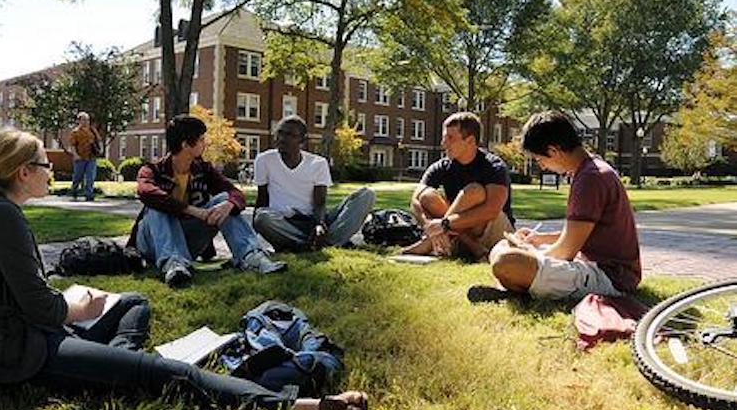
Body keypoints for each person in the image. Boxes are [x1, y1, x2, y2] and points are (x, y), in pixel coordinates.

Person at [0, 128, 368, 410]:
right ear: (22, 172)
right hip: (14, 351)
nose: (50, 168)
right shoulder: (1, 216)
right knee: (167, 372)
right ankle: (300, 407)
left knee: (133, 301)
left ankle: (116, 364)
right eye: (42, 163)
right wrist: (79, 307)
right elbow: (42, 308)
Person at [488, 111, 641, 300]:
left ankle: (517, 287)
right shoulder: (592, 170)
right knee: (502, 247)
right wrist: (539, 239)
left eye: (539, 159)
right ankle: (519, 287)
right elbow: (582, 234)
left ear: (554, 151)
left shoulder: (591, 178)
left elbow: (566, 251)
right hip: (595, 266)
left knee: (506, 261)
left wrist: (528, 252)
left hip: (610, 277)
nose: (542, 166)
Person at [129, 115, 286, 286]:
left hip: (188, 240)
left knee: (225, 199)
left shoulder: (203, 170)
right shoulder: (152, 170)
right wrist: (191, 210)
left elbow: (235, 193)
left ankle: (251, 256)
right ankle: (174, 264)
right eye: (201, 139)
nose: (205, 143)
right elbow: (146, 192)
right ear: (185, 144)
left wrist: (229, 205)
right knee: (157, 206)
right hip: (152, 242)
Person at [252, 116, 376, 251]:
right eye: (280, 133)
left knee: (367, 194)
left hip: (313, 220)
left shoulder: (318, 163)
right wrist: (255, 234)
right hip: (284, 223)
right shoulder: (264, 160)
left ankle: (321, 241)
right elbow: (262, 199)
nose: (282, 138)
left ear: (302, 141)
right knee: (262, 216)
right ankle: (326, 244)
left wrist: (319, 225)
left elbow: (320, 202)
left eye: (290, 135)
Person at [404, 112, 514, 261]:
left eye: (450, 138)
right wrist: (429, 227)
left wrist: (444, 224)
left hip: (494, 233)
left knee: (474, 192)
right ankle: (472, 247)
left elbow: (492, 210)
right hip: (457, 234)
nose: (444, 143)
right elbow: (415, 201)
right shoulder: (442, 166)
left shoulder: (493, 166)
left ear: (470, 141)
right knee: (426, 196)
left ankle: (428, 244)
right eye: (444, 137)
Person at [69, 111, 101, 201]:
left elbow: (99, 140)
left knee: (90, 176)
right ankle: (74, 190)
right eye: (84, 120)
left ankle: (89, 194)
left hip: (91, 157)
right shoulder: (75, 132)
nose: (86, 122)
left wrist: (99, 149)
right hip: (80, 158)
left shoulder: (92, 130)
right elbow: (72, 145)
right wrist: (75, 155)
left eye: (87, 120)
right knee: (77, 177)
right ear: (78, 121)